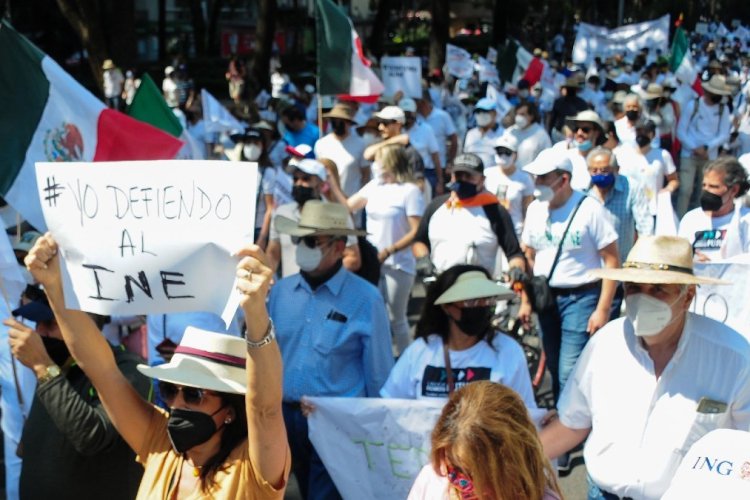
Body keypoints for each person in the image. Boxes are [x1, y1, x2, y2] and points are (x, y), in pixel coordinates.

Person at [22, 234, 290, 499]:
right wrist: (54, 287)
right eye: (170, 390)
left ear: (231, 410)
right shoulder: (162, 445)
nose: (177, 403)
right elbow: (100, 369)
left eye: (193, 395)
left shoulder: (252, 469)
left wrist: (256, 313)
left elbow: (265, 409)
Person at [540, 235, 750, 500]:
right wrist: (502, 462)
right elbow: (573, 424)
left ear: (687, 297)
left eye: (658, 289)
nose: (642, 298)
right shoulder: (604, 345)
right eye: (633, 287)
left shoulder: (733, 359)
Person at [269, 201, 393, 500]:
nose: (302, 248)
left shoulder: (366, 298)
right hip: (283, 419)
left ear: (339, 247)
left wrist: (376, 430)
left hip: (336, 421)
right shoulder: (280, 293)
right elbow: (267, 355)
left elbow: (379, 373)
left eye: (312, 241)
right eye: (299, 240)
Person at [4, 290, 149, 499]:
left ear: (82, 326)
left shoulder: (127, 369)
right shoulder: (60, 364)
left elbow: (91, 437)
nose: (40, 332)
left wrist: (42, 366)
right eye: (38, 324)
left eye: (50, 324)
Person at [520, 149, 619, 404]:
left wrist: (603, 309)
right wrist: (526, 301)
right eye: (536, 178)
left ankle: (569, 426)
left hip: (581, 297)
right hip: (546, 298)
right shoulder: (534, 210)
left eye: (543, 178)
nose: (537, 184)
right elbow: (529, 255)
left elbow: (611, 260)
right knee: (553, 363)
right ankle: (565, 417)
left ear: (563, 179)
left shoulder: (590, 210)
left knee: (569, 369)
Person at [381, 265, 536, 408]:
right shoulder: (421, 351)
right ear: (447, 306)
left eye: (488, 300)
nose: (481, 307)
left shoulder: (508, 351)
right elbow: (390, 408)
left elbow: (526, 413)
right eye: (471, 301)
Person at [408, 381, 562, 500]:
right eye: (453, 467)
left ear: (509, 464)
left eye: (472, 472)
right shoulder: (433, 479)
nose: (460, 481)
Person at [348, 145, 424, 353]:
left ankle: (406, 361)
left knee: (396, 318)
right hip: (373, 262)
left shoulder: (410, 191)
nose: (376, 165)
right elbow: (348, 206)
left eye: (380, 160)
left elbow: (416, 230)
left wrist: (390, 250)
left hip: (397, 264)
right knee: (373, 315)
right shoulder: (374, 186)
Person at [413, 152, 527, 277]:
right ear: (451, 176)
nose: (463, 180)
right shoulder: (436, 206)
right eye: (458, 175)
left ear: (482, 180)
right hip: (440, 285)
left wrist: (516, 270)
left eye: (469, 176)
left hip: (480, 288)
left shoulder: (495, 211)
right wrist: (423, 258)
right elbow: (419, 241)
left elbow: (514, 254)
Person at [267, 158, 361, 277]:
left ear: (321, 185)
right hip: (291, 292)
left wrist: (321, 279)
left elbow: (353, 258)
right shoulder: (282, 213)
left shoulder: (339, 215)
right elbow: (273, 253)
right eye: (295, 179)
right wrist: (268, 278)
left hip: (326, 293)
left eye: (306, 179)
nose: (299, 184)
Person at [675, 74, 733, 217]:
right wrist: (695, 148)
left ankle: (701, 219)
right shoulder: (693, 105)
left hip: (709, 155)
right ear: (707, 92)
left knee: (704, 192)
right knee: (685, 190)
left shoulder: (723, 109)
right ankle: (680, 219)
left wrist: (707, 147)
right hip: (689, 153)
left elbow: (724, 134)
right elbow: (681, 131)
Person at [678, 156, 750, 260]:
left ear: (734, 190)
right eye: (704, 185)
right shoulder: (690, 219)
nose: (706, 191)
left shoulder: (745, 221)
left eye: (713, 186)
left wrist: (713, 265)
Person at [618, 120, 679, 219]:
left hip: (652, 208)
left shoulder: (662, 155)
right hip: (628, 208)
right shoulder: (624, 153)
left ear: (652, 134)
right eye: (639, 131)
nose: (641, 135)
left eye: (645, 132)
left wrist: (667, 190)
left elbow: (673, 180)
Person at [484, 135, 535, 237]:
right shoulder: (486, 175)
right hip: (490, 231)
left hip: (515, 232)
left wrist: (526, 235)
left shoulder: (525, 178)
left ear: (515, 155)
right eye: (499, 151)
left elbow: (528, 209)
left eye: (507, 152)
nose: (502, 155)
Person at [314, 103, 369, 198]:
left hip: (352, 199)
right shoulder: (321, 144)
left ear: (348, 123)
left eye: (340, 121)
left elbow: (366, 173)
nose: (336, 124)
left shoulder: (360, 144)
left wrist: (361, 197)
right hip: (328, 200)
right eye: (334, 121)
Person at [399, 97, 444, 194]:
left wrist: (440, 181)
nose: (406, 117)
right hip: (403, 174)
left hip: (425, 174)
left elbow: (435, 156)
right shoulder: (397, 130)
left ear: (414, 113)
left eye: (408, 113)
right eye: (404, 114)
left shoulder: (426, 129)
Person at [564, 110, 606, 190]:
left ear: (596, 133)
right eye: (576, 129)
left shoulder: (604, 160)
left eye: (585, 129)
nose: (579, 133)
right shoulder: (566, 157)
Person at [417, 91, 458, 172]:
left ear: (423, 102)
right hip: (419, 168)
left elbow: (454, 140)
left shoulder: (443, 116)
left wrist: (450, 162)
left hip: (439, 166)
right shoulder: (414, 118)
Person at [505, 101, 552, 168]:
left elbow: (547, 159)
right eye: (517, 114)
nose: (518, 117)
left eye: (522, 114)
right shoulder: (510, 131)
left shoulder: (542, 135)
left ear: (531, 116)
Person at [464, 97, 504, 170]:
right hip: (472, 177)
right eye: (478, 112)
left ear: (494, 113)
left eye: (485, 112)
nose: (481, 115)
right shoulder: (471, 134)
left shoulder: (503, 134)